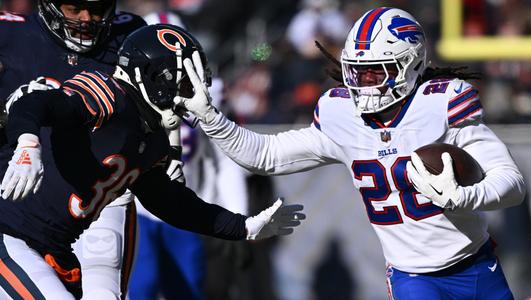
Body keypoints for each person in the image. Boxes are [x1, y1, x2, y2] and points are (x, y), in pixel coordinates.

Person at [177, 7, 526, 300]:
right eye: (357, 71)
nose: (364, 82)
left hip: (477, 264)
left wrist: (464, 196)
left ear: (412, 64)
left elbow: (511, 182)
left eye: (377, 70)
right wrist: (212, 119)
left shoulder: (440, 104)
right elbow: (266, 155)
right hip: (413, 276)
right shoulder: (341, 115)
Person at [0, 23, 305, 299]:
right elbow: (35, 101)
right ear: (155, 79)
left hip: (53, 248)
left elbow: (171, 202)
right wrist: (28, 144)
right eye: (185, 84)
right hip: (11, 235)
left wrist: (245, 226)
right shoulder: (110, 94)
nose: (193, 95)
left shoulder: (152, 137)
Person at [0, 1, 148, 298]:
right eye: (74, 7)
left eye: (96, 9)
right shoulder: (10, 35)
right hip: (18, 202)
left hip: (100, 201)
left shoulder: (130, 35)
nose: (86, 19)